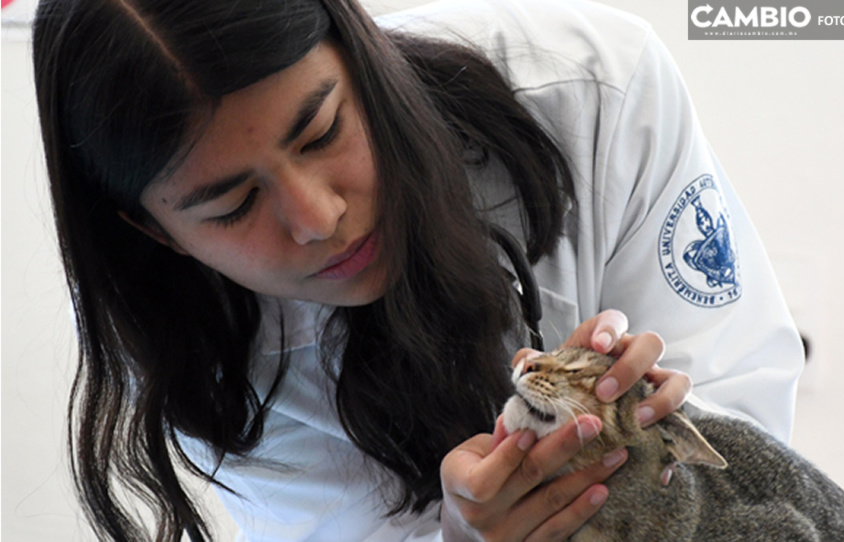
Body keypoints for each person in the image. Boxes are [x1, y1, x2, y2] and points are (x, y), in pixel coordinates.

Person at [31, 0, 804, 540]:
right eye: (233, 205)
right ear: (156, 232)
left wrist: (653, 446)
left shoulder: (590, 86)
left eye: (323, 131)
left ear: (360, 49)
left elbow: (745, 421)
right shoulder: (169, 330)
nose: (318, 217)